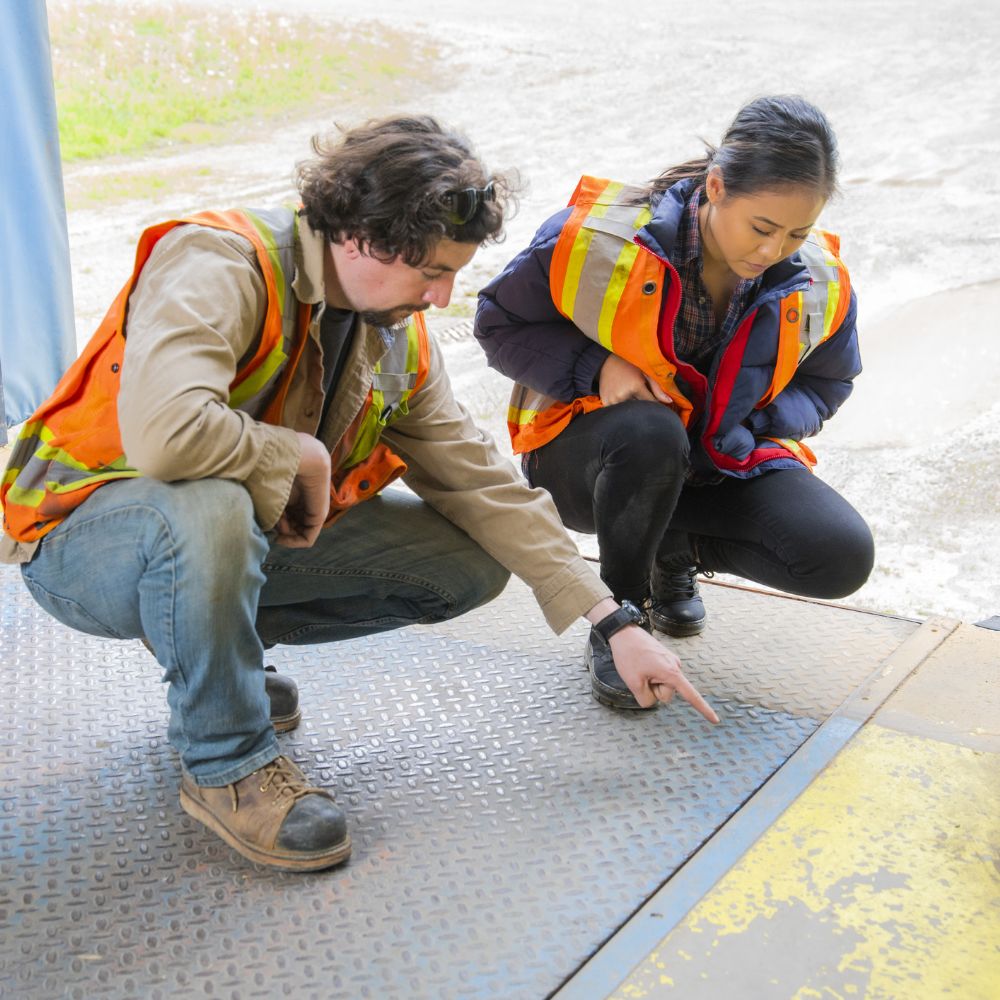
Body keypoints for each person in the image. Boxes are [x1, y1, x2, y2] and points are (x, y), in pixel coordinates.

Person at [0, 115, 719, 873]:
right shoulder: (219, 260)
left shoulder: (393, 330)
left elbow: (477, 478)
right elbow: (165, 436)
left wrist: (613, 622)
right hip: (80, 539)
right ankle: (228, 765)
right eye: (433, 272)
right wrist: (300, 455)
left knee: (466, 562)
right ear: (365, 239)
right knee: (210, 502)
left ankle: (223, 662)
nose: (442, 297)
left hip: (210, 541)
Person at [474, 95, 875, 711]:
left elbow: (828, 383)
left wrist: (753, 424)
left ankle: (669, 547)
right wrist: (597, 368)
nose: (773, 251)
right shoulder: (594, 241)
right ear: (715, 187)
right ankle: (621, 616)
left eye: (797, 233)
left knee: (838, 556)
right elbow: (498, 325)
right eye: (761, 228)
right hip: (588, 460)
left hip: (712, 463)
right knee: (651, 433)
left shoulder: (819, 279)